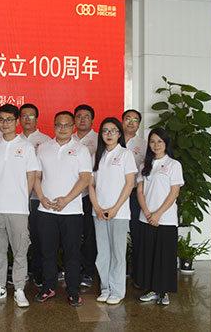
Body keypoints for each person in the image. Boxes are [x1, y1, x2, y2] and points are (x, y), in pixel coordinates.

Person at [34, 111, 92, 306]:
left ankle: (73, 290)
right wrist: (41, 197)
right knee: (47, 252)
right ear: (54, 126)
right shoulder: (43, 148)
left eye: (67, 125)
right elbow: (36, 176)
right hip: (46, 210)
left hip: (72, 211)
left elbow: (85, 179)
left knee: (72, 253)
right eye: (59, 124)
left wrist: (66, 200)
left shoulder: (81, 149)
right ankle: (48, 287)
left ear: (73, 127)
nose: (63, 128)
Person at [0, 104, 37, 307]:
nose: (5, 123)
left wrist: (23, 198)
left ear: (17, 122)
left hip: (18, 208)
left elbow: (31, 175)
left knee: (20, 251)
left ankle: (19, 289)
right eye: (1, 119)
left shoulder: (26, 146)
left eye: (9, 119)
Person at [88, 117, 137, 305]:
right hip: (99, 212)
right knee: (103, 253)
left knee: (117, 253)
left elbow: (130, 184)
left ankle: (117, 291)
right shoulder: (96, 155)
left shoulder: (125, 154)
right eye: (105, 131)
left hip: (119, 212)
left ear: (119, 134)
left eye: (113, 131)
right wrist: (97, 207)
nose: (109, 134)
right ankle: (105, 288)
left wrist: (115, 208)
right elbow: (91, 184)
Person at [136, 128, 184, 306]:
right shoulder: (144, 165)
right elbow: (140, 191)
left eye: (159, 142)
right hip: (146, 218)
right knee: (149, 255)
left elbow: (174, 192)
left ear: (166, 144)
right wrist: (148, 213)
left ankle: (164, 292)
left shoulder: (173, 165)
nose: (156, 145)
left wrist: (158, 214)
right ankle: (151, 289)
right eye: (152, 142)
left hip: (166, 219)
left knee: (165, 256)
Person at [17, 103, 51, 287]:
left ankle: (38, 272)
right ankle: (20, 272)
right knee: (19, 237)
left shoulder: (46, 141)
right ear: (19, 119)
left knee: (39, 237)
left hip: (38, 197)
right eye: (24, 116)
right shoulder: (14, 140)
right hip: (17, 197)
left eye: (31, 116)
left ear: (37, 119)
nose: (27, 119)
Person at [73, 104, 97, 288]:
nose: (82, 120)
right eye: (79, 116)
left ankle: (88, 271)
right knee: (71, 234)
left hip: (89, 194)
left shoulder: (98, 139)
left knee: (89, 235)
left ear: (92, 120)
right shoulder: (68, 138)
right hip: (70, 195)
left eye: (86, 117)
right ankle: (71, 269)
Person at [122, 109, 147, 283]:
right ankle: (119, 270)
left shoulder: (144, 145)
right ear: (122, 121)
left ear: (139, 124)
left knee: (137, 233)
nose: (131, 122)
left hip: (135, 193)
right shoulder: (113, 140)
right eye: (128, 119)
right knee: (116, 234)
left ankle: (137, 273)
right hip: (115, 194)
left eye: (135, 120)